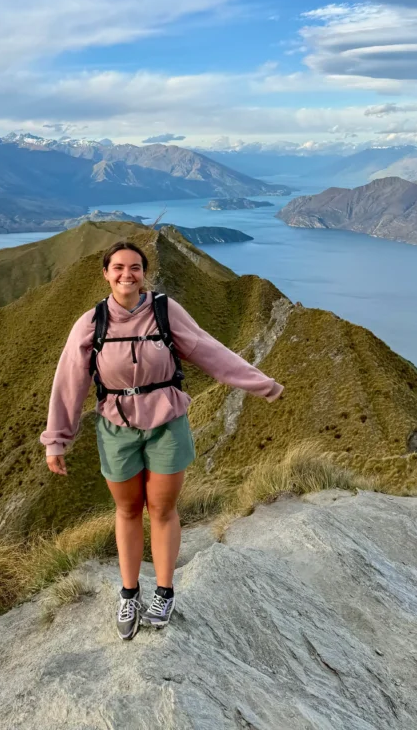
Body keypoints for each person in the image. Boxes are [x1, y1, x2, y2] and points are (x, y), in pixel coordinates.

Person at [41, 240, 284, 640]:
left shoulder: (164, 311)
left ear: (144, 273)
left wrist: (261, 384)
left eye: (134, 267)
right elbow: (69, 382)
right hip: (117, 426)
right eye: (118, 267)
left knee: (163, 508)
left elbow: (209, 350)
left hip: (168, 421)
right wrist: (57, 441)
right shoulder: (91, 323)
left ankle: (165, 591)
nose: (126, 275)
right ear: (105, 274)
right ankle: (130, 593)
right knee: (128, 509)